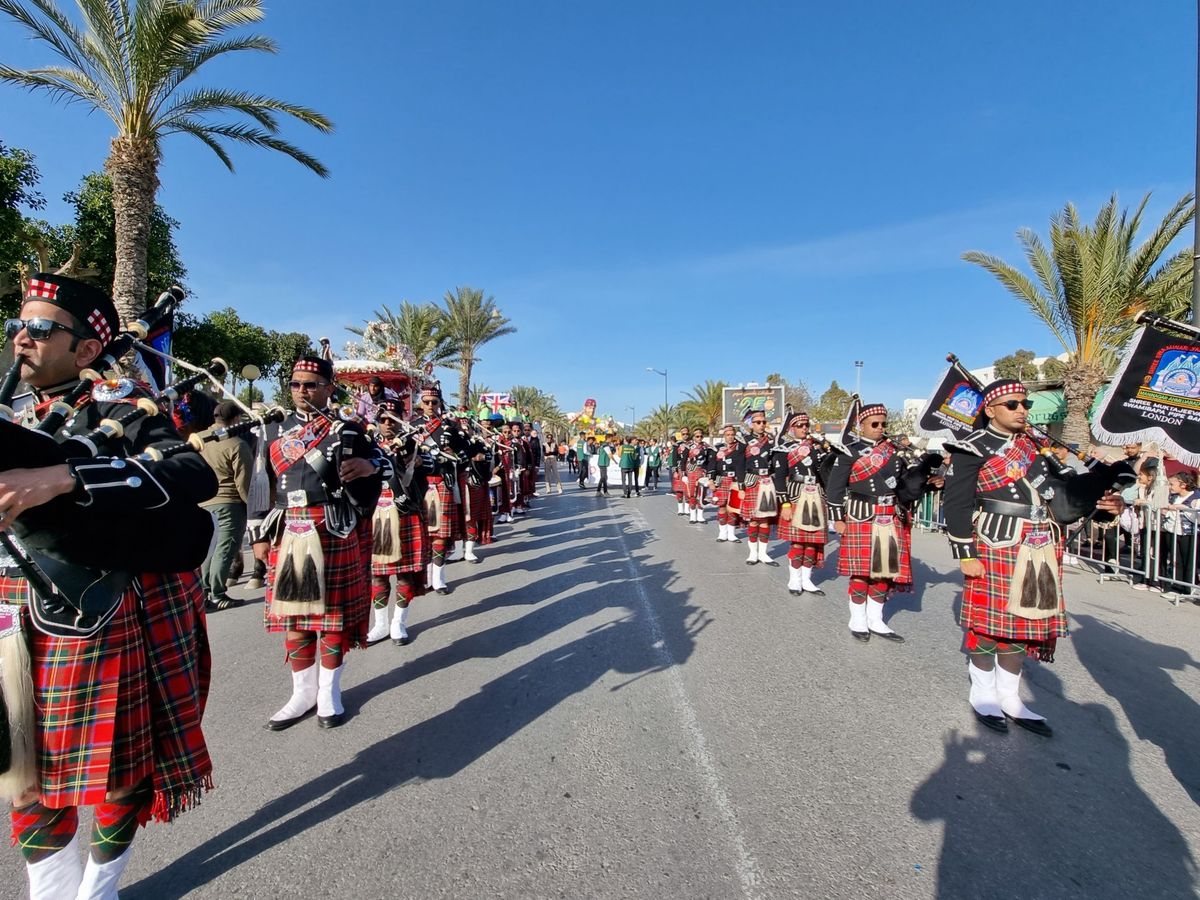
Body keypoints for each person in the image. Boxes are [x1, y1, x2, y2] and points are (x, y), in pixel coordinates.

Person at [0, 274, 215, 897]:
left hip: (93, 609)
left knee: (121, 771)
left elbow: (191, 472)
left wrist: (68, 475)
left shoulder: (121, 408)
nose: (23, 338)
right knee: (24, 770)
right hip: (12, 612)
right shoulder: (8, 408)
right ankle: (51, 890)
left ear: (88, 349)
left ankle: (100, 887)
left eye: (43, 329)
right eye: (19, 325)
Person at [942, 379, 1123, 736]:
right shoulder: (972, 448)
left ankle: (1010, 697)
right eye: (1013, 404)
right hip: (996, 541)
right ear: (991, 410)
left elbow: (1063, 496)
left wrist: (1105, 506)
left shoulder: (1035, 447)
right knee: (988, 625)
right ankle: (983, 693)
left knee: (1023, 624)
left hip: (1037, 542)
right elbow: (957, 502)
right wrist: (964, 552)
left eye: (1025, 403)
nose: (1022, 409)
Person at [252, 355, 383, 731]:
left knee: (332, 617)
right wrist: (258, 533)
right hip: (287, 526)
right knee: (294, 616)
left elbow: (386, 463)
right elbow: (260, 485)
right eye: (296, 384)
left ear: (328, 387)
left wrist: (371, 468)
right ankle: (301, 693)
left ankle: (329, 692)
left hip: (331, 525)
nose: (302, 391)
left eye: (310, 384)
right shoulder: (273, 429)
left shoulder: (348, 429)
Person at [826, 403, 940, 642]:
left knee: (884, 571)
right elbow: (835, 487)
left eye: (883, 424)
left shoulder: (895, 451)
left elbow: (904, 486)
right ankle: (857, 618)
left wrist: (928, 481)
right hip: (861, 514)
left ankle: (875, 619)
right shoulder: (850, 451)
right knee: (861, 572)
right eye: (874, 424)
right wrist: (837, 518)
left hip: (890, 513)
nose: (880, 428)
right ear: (862, 426)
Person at [365, 400, 430, 645]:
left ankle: (398, 623)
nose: (388, 423)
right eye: (383, 419)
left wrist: (411, 453)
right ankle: (380, 624)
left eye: (393, 418)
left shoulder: (413, 443)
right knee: (378, 575)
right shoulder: (367, 443)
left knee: (405, 574)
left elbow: (430, 466)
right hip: (375, 514)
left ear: (402, 419)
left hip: (405, 511)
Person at [409, 387, 468, 590]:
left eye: (434, 402)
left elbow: (465, 452)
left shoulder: (449, 426)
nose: (430, 406)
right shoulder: (411, 426)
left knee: (441, 535)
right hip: (420, 484)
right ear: (421, 403)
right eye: (426, 402)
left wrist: (454, 453)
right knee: (424, 533)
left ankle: (439, 578)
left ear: (440, 403)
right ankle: (425, 576)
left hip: (443, 481)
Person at [199, 400, 253, 611]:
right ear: (236, 419)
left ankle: (203, 590)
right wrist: (252, 505)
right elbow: (243, 481)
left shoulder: (201, 439)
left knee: (209, 549)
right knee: (225, 548)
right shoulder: (236, 444)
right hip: (229, 502)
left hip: (204, 502)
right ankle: (218, 593)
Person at [773, 412, 830, 596]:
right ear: (792, 428)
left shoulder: (816, 448)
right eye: (800, 425)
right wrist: (785, 505)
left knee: (812, 542)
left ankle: (807, 580)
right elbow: (780, 478)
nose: (804, 428)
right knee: (798, 542)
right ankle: (794, 580)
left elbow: (825, 473)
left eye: (806, 425)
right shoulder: (784, 448)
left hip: (816, 494)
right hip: (796, 494)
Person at [740, 413, 779, 565]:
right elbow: (740, 464)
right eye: (757, 422)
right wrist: (741, 485)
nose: (761, 424)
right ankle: (752, 553)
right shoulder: (744, 441)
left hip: (767, 481)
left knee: (765, 520)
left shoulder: (771, 441)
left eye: (763, 422)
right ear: (752, 424)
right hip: (751, 481)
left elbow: (776, 461)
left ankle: (763, 554)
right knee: (753, 520)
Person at [1160, 469, 1200, 600]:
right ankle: (1177, 586)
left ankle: (1188, 588)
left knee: (1188, 560)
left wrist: (1182, 508)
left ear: (1183, 485)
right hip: (1174, 530)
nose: (1170, 487)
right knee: (1176, 559)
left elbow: (1196, 515)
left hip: (1189, 533)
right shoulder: (1174, 496)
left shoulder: (1195, 496)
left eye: (1172, 484)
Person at [709, 424, 746, 543]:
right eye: (728, 435)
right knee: (722, 507)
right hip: (722, 479)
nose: (730, 437)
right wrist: (711, 479)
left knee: (733, 507)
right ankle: (722, 533)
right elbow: (712, 464)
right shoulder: (717, 448)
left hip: (734, 480)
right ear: (724, 435)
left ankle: (731, 534)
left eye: (732, 435)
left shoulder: (739, 447)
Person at [683, 428, 713, 523]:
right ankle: (692, 515)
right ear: (693, 437)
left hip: (702, 472)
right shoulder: (688, 446)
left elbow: (709, 461)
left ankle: (700, 516)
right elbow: (683, 460)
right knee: (692, 494)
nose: (699, 438)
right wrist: (684, 474)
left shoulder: (706, 447)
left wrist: (709, 473)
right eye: (697, 436)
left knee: (702, 494)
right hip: (691, 472)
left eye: (701, 436)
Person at [670, 427, 691, 515]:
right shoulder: (677, 445)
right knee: (679, 490)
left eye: (687, 434)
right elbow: (674, 458)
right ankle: (680, 509)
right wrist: (674, 470)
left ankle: (687, 509)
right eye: (683, 434)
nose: (685, 435)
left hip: (690, 469)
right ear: (681, 435)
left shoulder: (693, 444)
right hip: (679, 469)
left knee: (688, 489)